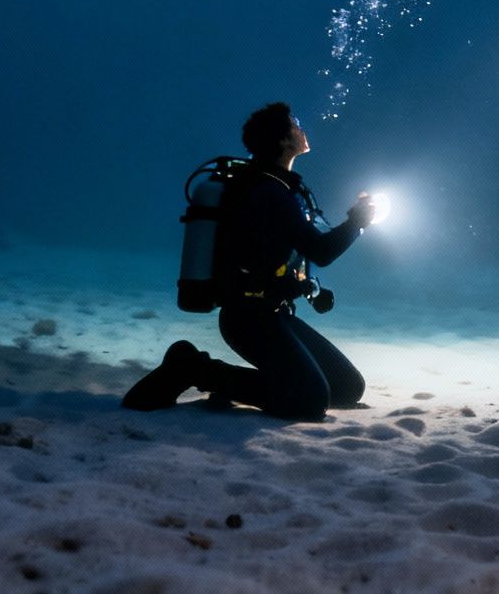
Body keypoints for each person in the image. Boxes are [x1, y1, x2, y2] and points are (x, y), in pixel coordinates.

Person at [122, 102, 378, 419]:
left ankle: (253, 382)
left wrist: (314, 281)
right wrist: (358, 222)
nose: (302, 128)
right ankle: (193, 367)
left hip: (275, 313)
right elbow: (321, 252)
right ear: (283, 140)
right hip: (248, 319)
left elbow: (303, 248)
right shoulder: (269, 192)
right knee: (309, 401)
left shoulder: (283, 189)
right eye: (295, 123)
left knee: (347, 388)